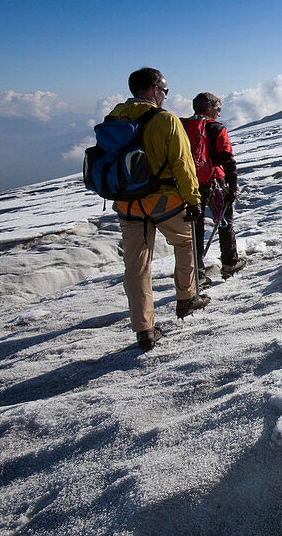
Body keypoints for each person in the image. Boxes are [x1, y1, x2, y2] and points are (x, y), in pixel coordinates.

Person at [110, 68, 210, 352]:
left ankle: (144, 330)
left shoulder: (114, 117)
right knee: (186, 243)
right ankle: (186, 298)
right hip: (164, 201)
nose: (166, 96)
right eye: (165, 91)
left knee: (137, 265)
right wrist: (193, 200)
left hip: (127, 204)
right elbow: (183, 163)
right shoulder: (166, 120)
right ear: (155, 90)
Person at [181, 92, 246, 284]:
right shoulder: (216, 128)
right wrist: (233, 187)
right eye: (217, 109)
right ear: (208, 107)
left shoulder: (182, 127)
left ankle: (198, 274)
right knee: (225, 222)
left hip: (189, 184)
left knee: (195, 229)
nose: (219, 113)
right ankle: (229, 262)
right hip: (214, 182)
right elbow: (227, 159)